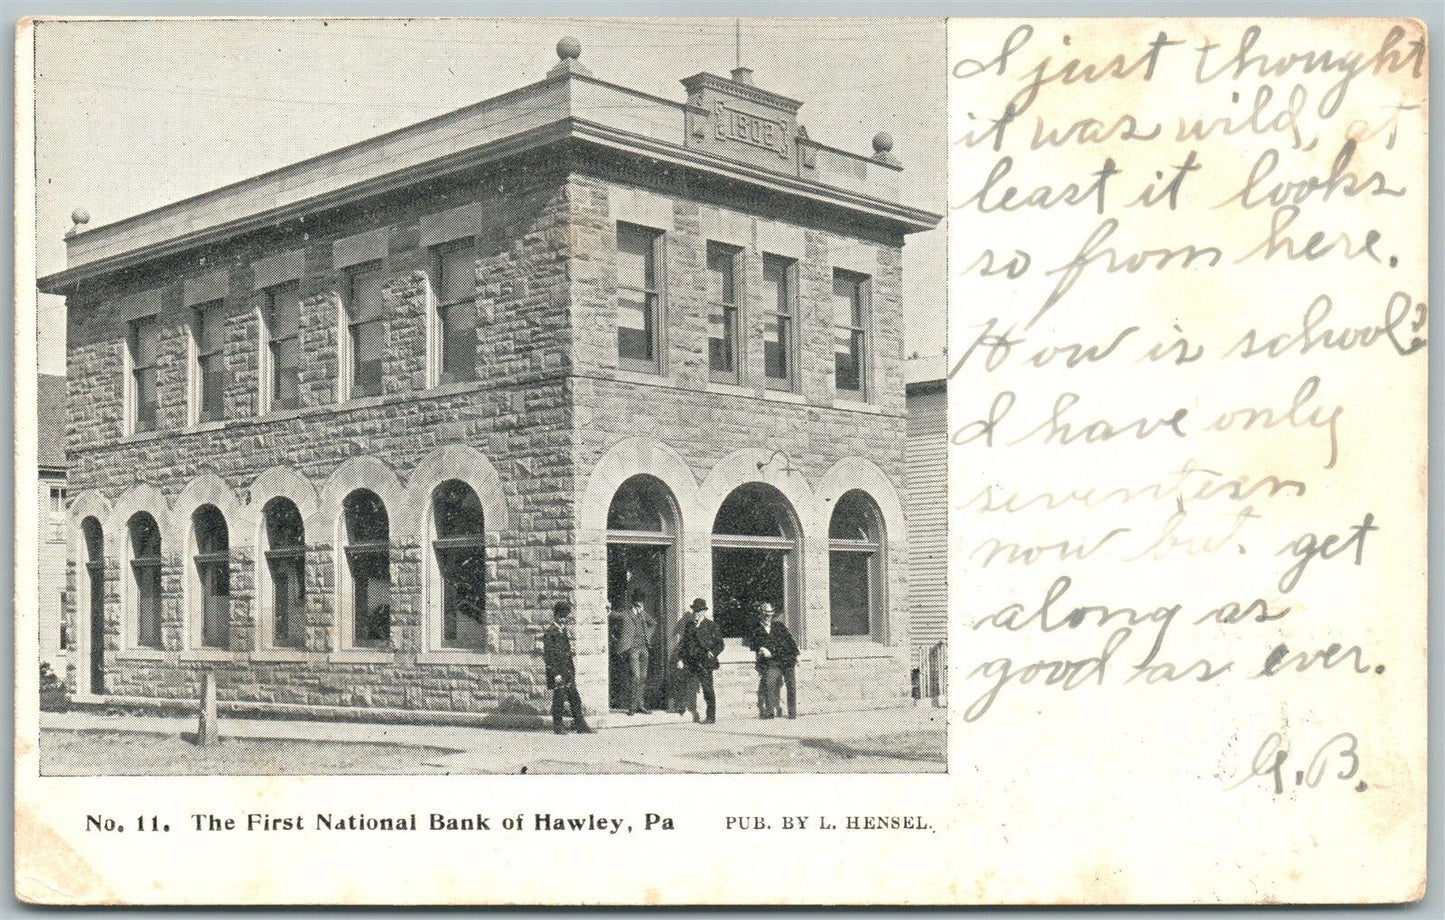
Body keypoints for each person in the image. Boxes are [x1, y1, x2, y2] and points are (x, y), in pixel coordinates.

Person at [541, 600, 593, 734]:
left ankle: (580, 725)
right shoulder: (550, 632)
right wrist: (555, 674)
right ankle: (558, 726)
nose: (563, 620)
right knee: (559, 699)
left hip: (568, 670)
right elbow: (549, 656)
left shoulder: (563, 630)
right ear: (556, 616)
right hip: (558, 672)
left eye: (565, 617)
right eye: (561, 617)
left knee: (575, 698)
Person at [675, 597, 724, 724]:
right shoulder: (689, 626)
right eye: (694, 611)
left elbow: (720, 644)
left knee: (707, 689)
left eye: (698, 611)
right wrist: (680, 658)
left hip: (705, 663)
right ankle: (682, 708)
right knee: (682, 681)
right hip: (691, 662)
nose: (696, 614)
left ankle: (710, 716)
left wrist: (712, 653)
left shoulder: (711, 626)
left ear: (703, 612)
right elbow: (684, 644)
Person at [748, 601, 798, 719]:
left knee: (791, 685)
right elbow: (753, 643)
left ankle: (792, 712)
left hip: (787, 660)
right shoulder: (756, 629)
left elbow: (790, 641)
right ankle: (770, 712)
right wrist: (761, 648)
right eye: (765, 614)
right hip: (773, 662)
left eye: (770, 614)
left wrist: (797, 654)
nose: (768, 617)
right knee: (769, 683)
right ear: (760, 614)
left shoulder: (779, 626)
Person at [617, 593, 656, 715]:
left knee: (643, 677)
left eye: (642, 603)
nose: (641, 605)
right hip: (633, 649)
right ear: (634, 603)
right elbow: (613, 615)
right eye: (639, 602)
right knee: (636, 677)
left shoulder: (643, 614)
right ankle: (633, 707)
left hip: (644, 648)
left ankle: (641, 705)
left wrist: (648, 636)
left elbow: (653, 623)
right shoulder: (626, 614)